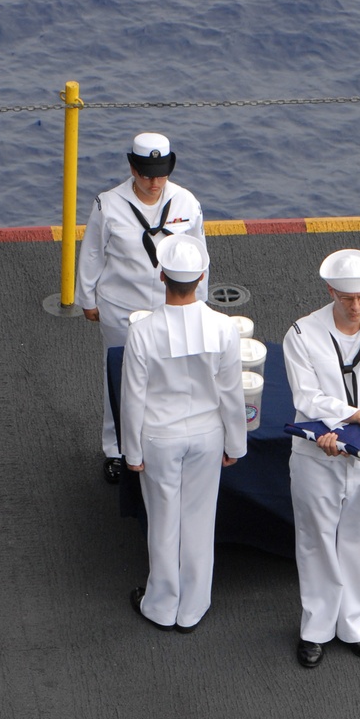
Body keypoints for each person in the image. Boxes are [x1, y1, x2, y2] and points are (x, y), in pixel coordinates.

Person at [282, 249, 360, 669]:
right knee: (316, 539)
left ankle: (354, 623)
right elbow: (307, 397)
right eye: (346, 298)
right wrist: (358, 418)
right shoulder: (301, 334)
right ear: (330, 291)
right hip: (316, 455)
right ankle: (315, 628)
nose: (355, 307)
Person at [123, 234, 247, 632]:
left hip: (159, 435)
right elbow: (231, 392)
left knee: (163, 522)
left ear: (161, 276)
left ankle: (160, 605)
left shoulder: (143, 331)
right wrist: (235, 443)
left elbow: (132, 397)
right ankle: (193, 607)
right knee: (198, 521)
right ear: (202, 277)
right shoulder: (224, 328)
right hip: (207, 434)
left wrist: (131, 452)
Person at [75, 132, 206, 483]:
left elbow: (198, 255)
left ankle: (164, 444)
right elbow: (92, 252)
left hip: (172, 307)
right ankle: (116, 450)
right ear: (132, 168)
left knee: (172, 377)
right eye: (146, 173)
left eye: (160, 174)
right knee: (118, 378)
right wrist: (86, 298)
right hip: (121, 307)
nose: (154, 182)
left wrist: (201, 302)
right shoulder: (108, 204)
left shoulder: (186, 203)